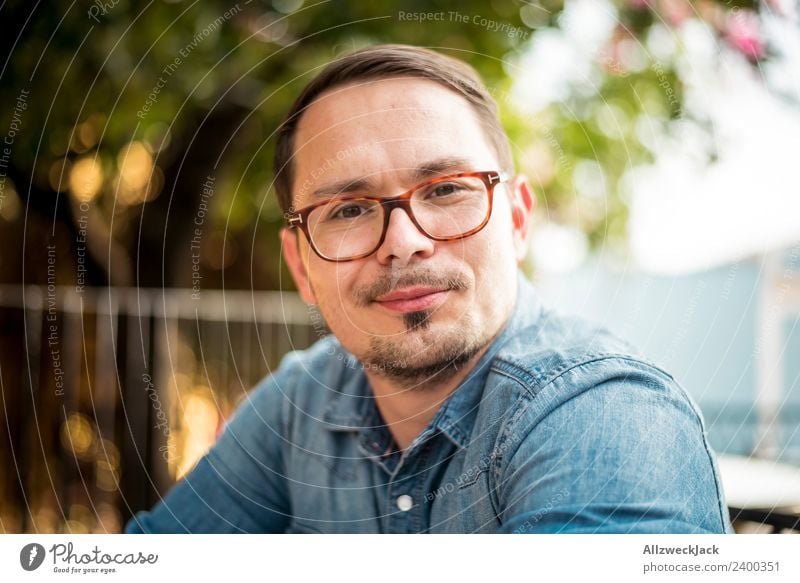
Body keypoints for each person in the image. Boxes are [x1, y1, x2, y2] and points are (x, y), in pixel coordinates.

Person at [125, 44, 732, 534]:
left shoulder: (606, 418)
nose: (404, 241)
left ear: (517, 219)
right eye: (349, 208)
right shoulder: (300, 402)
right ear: (302, 267)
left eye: (445, 189)